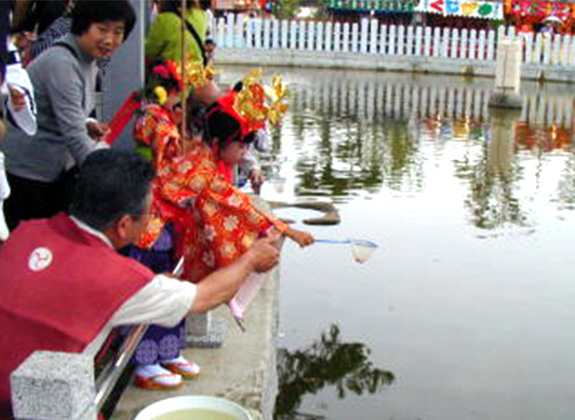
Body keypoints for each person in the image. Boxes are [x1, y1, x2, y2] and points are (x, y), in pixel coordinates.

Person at [0, 149, 280, 418]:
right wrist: (251, 259)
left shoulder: (26, 232)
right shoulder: (121, 280)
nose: (151, 220)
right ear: (123, 225)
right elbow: (205, 297)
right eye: (150, 212)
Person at [136, 76, 314, 284]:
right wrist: (288, 230)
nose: (244, 152)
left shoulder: (198, 155)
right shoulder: (202, 171)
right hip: (153, 238)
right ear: (218, 142)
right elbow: (241, 206)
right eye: (240, 146)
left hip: (152, 229)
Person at [0, 0, 136, 232]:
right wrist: (117, 182)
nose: (110, 40)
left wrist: (87, 122)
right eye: (102, 30)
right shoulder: (62, 62)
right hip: (29, 176)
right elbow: (75, 139)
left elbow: (66, 108)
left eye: (118, 32)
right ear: (82, 25)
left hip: (51, 171)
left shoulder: (88, 58)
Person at [146, 0, 210, 66]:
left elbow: (149, 52)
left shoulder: (164, 19)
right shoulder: (201, 16)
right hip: (196, 72)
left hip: (173, 72)